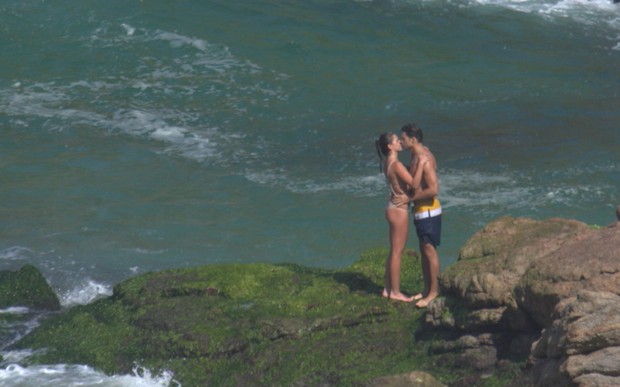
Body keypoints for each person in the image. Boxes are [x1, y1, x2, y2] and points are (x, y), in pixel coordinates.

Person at [375, 133, 426, 302]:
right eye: (397, 140)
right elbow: (413, 183)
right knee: (398, 252)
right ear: (390, 146)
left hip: (391, 207)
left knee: (393, 251)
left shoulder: (387, 163)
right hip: (398, 210)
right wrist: (421, 164)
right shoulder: (395, 164)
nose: (400, 142)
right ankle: (395, 292)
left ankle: (388, 288)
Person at [400, 123, 441, 308]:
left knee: (429, 251)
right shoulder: (415, 154)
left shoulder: (425, 157)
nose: (401, 141)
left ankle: (434, 292)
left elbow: (433, 189)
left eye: (404, 139)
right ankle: (426, 289)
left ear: (413, 139)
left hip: (429, 211)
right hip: (421, 211)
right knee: (423, 250)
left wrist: (412, 197)